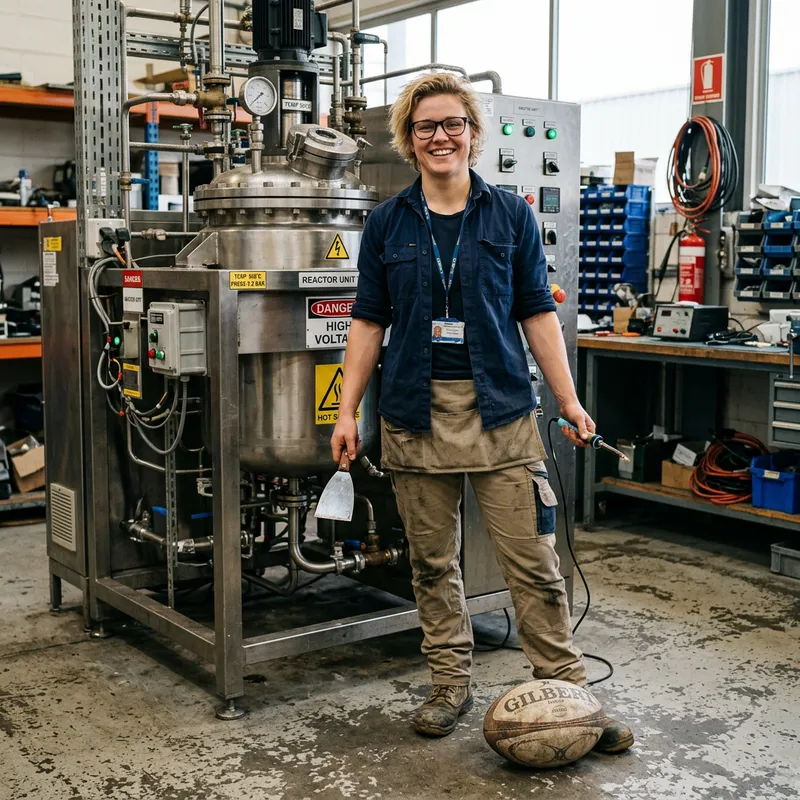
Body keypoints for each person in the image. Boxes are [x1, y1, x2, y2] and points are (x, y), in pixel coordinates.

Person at [330, 72, 633, 752]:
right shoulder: (386, 223)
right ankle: (449, 684)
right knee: (432, 565)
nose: (440, 137)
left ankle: (571, 695)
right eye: (425, 127)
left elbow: (537, 313)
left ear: (472, 133)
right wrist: (347, 412)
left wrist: (569, 400)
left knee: (534, 564)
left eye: (452, 124)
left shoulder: (511, 215)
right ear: (409, 140)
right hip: (414, 412)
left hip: (501, 411)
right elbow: (368, 322)